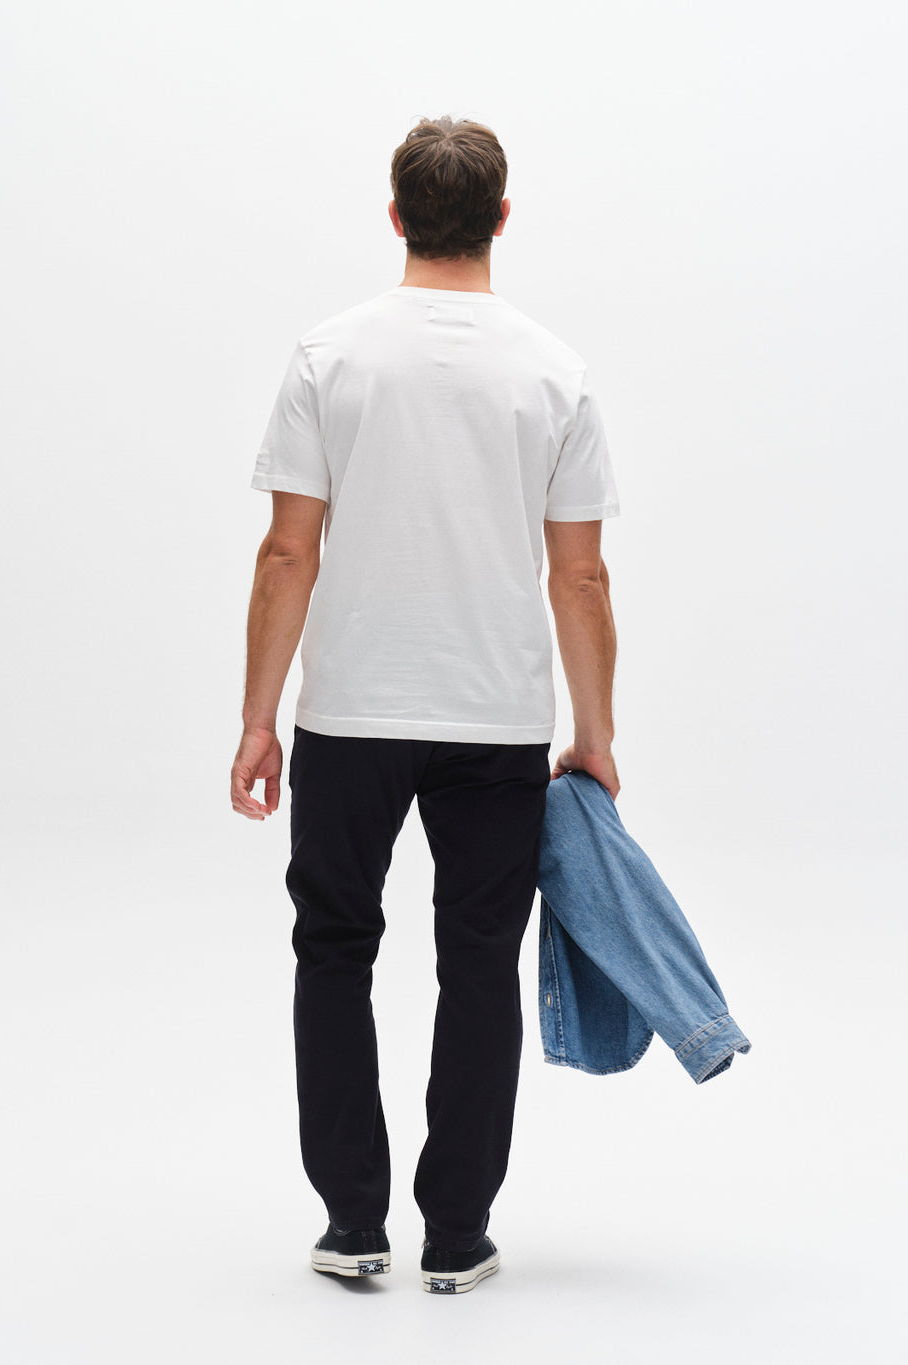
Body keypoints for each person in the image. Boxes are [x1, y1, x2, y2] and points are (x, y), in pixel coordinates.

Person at [231, 114, 621, 1294]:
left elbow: (287, 553)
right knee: (479, 961)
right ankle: (457, 1238)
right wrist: (594, 737)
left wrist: (258, 719)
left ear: (396, 215)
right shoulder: (554, 373)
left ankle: (352, 1227)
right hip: (495, 719)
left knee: (332, 948)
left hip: (349, 711)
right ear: (500, 218)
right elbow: (580, 577)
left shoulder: (330, 357)